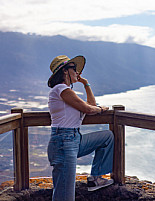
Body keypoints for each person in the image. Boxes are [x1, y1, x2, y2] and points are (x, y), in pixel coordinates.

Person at [47, 55, 114, 201]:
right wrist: (101, 109)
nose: (78, 72)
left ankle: (96, 178)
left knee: (107, 137)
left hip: (73, 138)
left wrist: (86, 84)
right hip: (64, 142)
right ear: (65, 71)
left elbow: (90, 105)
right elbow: (89, 109)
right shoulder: (62, 90)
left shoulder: (67, 93)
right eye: (74, 69)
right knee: (65, 194)